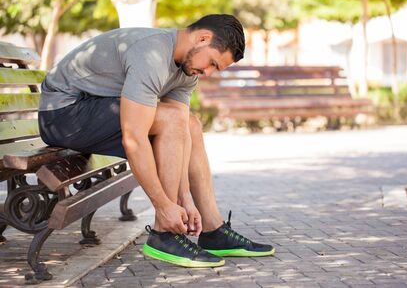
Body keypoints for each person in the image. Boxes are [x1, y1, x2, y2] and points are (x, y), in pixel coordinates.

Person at [38, 14, 274, 268]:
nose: (207, 73)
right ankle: (164, 234)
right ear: (202, 38)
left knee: (191, 124)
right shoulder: (151, 54)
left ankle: (213, 229)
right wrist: (163, 206)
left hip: (95, 113)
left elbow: (181, 134)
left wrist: (186, 199)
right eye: (212, 63)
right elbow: (134, 138)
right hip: (63, 115)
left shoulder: (187, 70)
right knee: (172, 118)